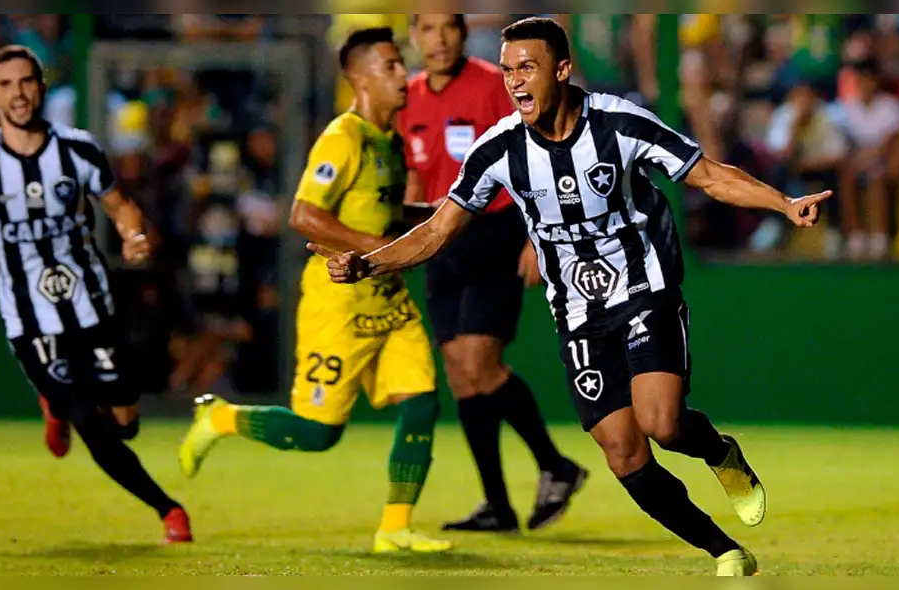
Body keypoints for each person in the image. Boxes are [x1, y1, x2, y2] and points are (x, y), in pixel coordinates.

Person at [309, 18, 833, 576]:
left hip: (643, 290)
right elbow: (438, 230)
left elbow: (707, 175)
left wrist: (783, 203)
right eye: (508, 69)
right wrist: (368, 263)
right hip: (578, 315)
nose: (514, 81)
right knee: (624, 454)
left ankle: (721, 453)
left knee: (662, 422)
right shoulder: (498, 150)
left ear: (561, 70)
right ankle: (724, 549)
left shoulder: (618, 122)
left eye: (527, 67)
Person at [178, 27, 451, 555]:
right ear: (360, 78)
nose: (404, 74)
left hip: (387, 299)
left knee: (421, 403)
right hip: (339, 302)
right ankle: (219, 417)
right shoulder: (342, 138)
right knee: (318, 434)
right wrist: (375, 245)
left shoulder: (390, 140)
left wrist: (446, 216)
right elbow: (304, 215)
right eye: (392, 65)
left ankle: (394, 527)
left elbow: (390, 215)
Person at [0, 45, 192, 543]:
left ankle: (57, 403)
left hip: (92, 307)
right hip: (29, 323)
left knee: (125, 422)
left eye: (25, 81)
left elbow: (120, 207)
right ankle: (169, 510)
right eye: (5, 84)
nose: (17, 93)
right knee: (89, 422)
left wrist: (135, 236)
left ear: (40, 88)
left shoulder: (78, 150)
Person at [399, 13, 587, 533]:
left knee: (480, 361)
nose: (437, 40)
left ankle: (555, 464)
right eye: (427, 29)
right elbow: (418, 176)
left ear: (462, 33)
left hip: (495, 229)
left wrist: (535, 235)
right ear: (414, 36)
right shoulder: (410, 95)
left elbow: (539, 152)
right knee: (461, 374)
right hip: (443, 239)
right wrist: (403, 242)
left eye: (447, 28)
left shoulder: (493, 84)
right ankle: (498, 505)